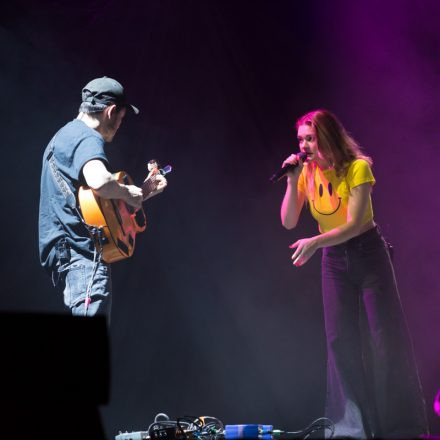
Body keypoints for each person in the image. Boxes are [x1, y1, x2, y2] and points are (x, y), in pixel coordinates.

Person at [280, 109, 428, 438]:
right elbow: (289, 221)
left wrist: (315, 241)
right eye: (300, 139)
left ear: (327, 138)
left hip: (367, 253)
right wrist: (292, 181)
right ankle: (353, 427)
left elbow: (354, 224)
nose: (303, 146)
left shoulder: (358, 167)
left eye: (310, 138)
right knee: (339, 341)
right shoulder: (307, 173)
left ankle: (399, 427)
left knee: (383, 340)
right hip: (333, 259)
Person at [39, 76, 167, 321]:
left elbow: (96, 204)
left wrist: (143, 192)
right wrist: (128, 191)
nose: (120, 125)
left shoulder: (63, 137)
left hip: (66, 255)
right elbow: (100, 181)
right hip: (82, 256)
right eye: (121, 118)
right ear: (110, 112)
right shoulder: (86, 137)